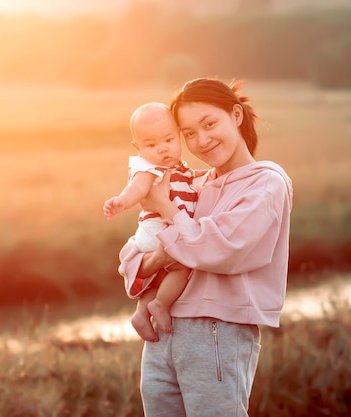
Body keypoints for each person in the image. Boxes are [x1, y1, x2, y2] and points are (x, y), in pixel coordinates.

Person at [117, 78, 293, 417]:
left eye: (210, 124)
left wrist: (166, 211)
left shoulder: (266, 183)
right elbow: (132, 252)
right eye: (189, 133)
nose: (202, 140)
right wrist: (158, 257)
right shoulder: (193, 183)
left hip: (216, 331)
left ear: (236, 115)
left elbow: (220, 248)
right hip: (162, 334)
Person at [103, 102, 201, 342]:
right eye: (151, 145)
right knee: (182, 267)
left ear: (178, 137)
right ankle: (160, 304)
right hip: (157, 229)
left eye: (168, 140)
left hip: (161, 229)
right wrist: (122, 202)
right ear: (138, 148)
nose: (163, 150)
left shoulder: (177, 167)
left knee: (161, 275)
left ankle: (140, 314)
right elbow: (136, 188)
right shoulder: (149, 169)